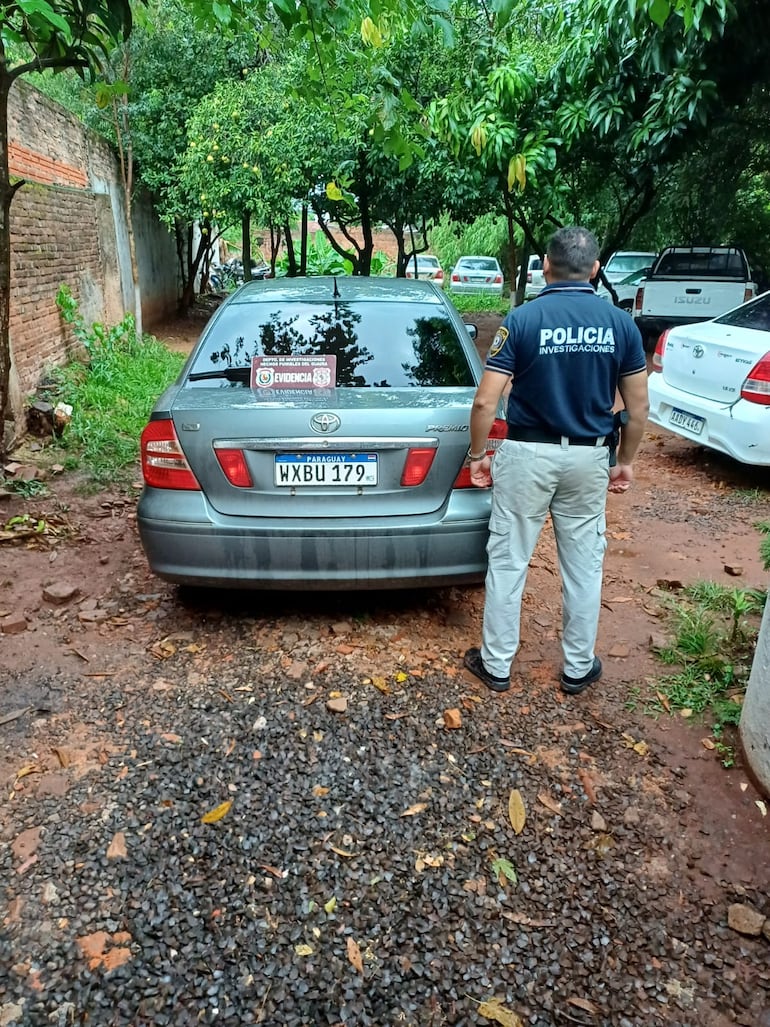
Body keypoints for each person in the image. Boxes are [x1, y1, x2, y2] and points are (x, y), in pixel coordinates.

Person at [463, 226, 650, 696]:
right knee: (584, 566)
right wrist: (625, 460)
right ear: (596, 269)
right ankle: (577, 668)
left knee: (509, 562)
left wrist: (478, 455)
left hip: (527, 455)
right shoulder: (620, 325)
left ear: (545, 266)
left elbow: (486, 402)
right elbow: (638, 407)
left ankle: (497, 665)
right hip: (589, 457)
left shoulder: (523, 320)